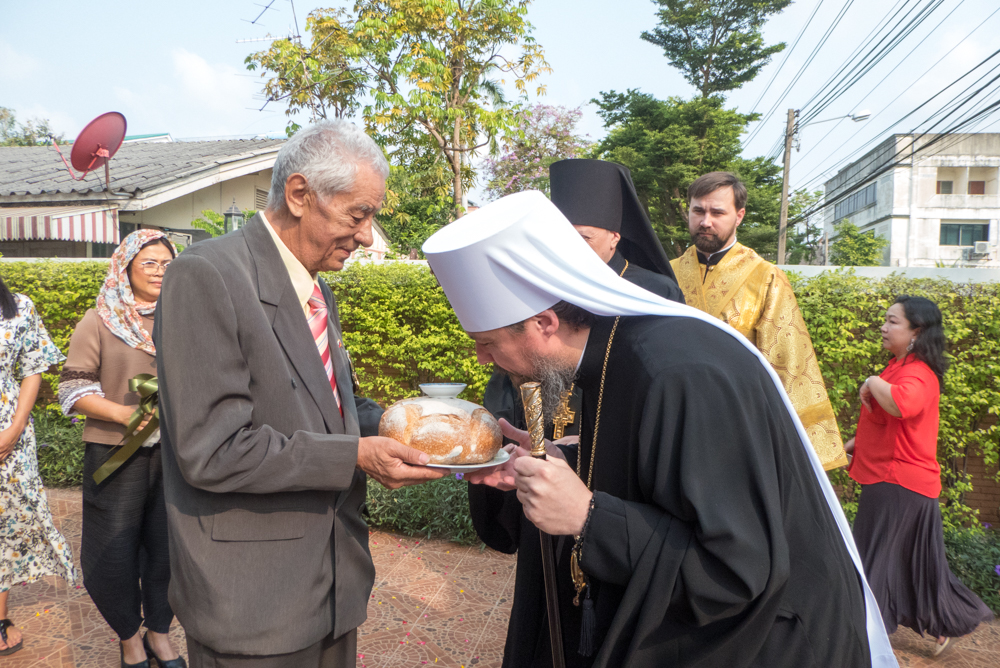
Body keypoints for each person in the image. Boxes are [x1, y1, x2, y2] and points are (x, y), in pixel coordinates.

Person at [422, 191, 897, 668]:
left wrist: (588, 516)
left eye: (486, 343)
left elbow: (736, 571)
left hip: (778, 642)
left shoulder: (680, 374)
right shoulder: (615, 351)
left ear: (544, 323)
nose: (483, 360)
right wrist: (574, 457)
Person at [154, 120, 444, 668]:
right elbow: (213, 451)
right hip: (255, 602)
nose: (366, 235)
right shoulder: (205, 274)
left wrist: (414, 426)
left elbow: (333, 409)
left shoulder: (315, 288)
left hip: (331, 586)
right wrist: (355, 455)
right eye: (359, 215)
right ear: (299, 194)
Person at [481, 158, 684, 443]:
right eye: (563, 238)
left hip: (620, 435)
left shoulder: (655, 291)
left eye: (583, 238)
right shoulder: (545, 284)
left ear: (615, 237)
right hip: (542, 437)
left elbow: (664, 379)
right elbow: (515, 365)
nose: (571, 250)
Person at [59, 230, 185, 668]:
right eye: (148, 262)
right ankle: (129, 637)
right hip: (115, 453)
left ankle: (159, 633)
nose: (158, 271)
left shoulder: (184, 317)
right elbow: (73, 389)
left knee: (169, 547)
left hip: (174, 456)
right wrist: (124, 414)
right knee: (113, 549)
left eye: (167, 263)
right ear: (125, 266)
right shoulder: (99, 320)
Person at [670, 172, 847, 470]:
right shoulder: (665, 273)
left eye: (717, 212)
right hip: (671, 420)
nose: (705, 221)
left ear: (739, 216)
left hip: (735, 428)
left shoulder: (765, 277)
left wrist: (806, 452)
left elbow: (788, 363)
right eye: (698, 211)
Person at [847, 296, 992, 655]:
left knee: (874, 563)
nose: (883, 327)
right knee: (915, 567)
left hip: (899, 484)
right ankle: (944, 624)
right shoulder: (895, 369)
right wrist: (846, 447)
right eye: (885, 320)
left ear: (917, 331)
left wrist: (870, 381)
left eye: (892, 321)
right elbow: (884, 428)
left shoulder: (917, 373)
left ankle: (861, 638)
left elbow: (901, 404)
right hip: (896, 482)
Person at [0, 274, 77, 657]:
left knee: (7, 518)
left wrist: (15, 428)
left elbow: (33, 368)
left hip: (7, 432)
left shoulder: (18, 307)